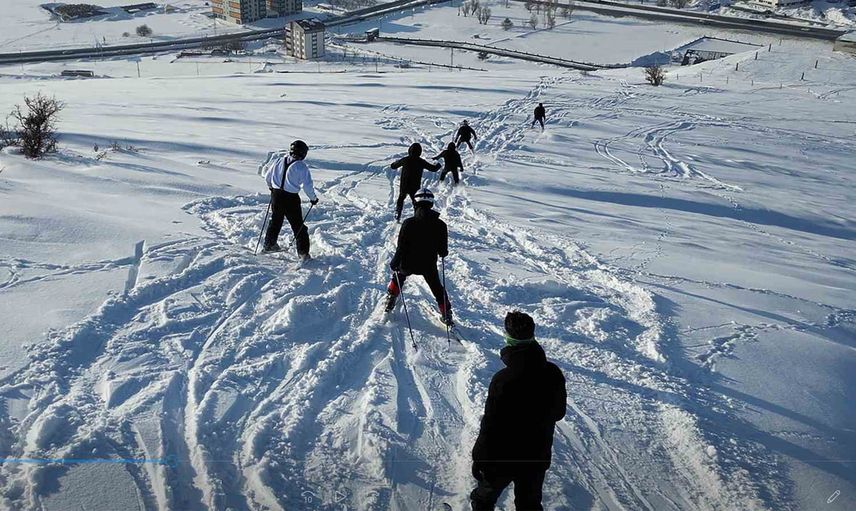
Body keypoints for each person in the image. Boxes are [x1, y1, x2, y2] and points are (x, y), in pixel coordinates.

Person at [471, 311, 567, 511]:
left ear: (509, 339)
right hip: (536, 456)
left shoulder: (503, 379)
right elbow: (559, 413)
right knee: (529, 504)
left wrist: (479, 457)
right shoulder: (553, 373)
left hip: (502, 458)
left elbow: (490, 426)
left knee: (484, 499)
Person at [384, 188, 453, 325]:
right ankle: (446, 314)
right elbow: (443, 251)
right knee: (437, 288)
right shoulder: (441, 225)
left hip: (407, 264)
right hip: (428, 265)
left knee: (399, 276)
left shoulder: (408, 223)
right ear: (431, 204)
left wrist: (395, 262)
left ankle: (391, 299)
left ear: (415, 203)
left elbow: (401, 247)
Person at [262, 140, 319, 260]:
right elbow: (307, 186)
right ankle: (303, 253)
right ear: (303, 153)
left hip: (276, 195)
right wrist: (313, 199)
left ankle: (269, 245)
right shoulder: (301, 167)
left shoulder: (279, 160)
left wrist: (272, 188)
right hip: (290, 198)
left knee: (276, 221)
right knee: (298, 226)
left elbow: (267, 177)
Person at [390, 143, 441, 221]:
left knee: (401, 198)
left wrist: (394, 163)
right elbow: (433, 169)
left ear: (409, 151)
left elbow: (393, 166)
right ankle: (417, 216)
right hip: (415, 185)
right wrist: (438, 165)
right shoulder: (421, 161)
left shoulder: (405, 159)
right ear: (420, 152)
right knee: (416, 202)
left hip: (404, 184)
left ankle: (398, 213)